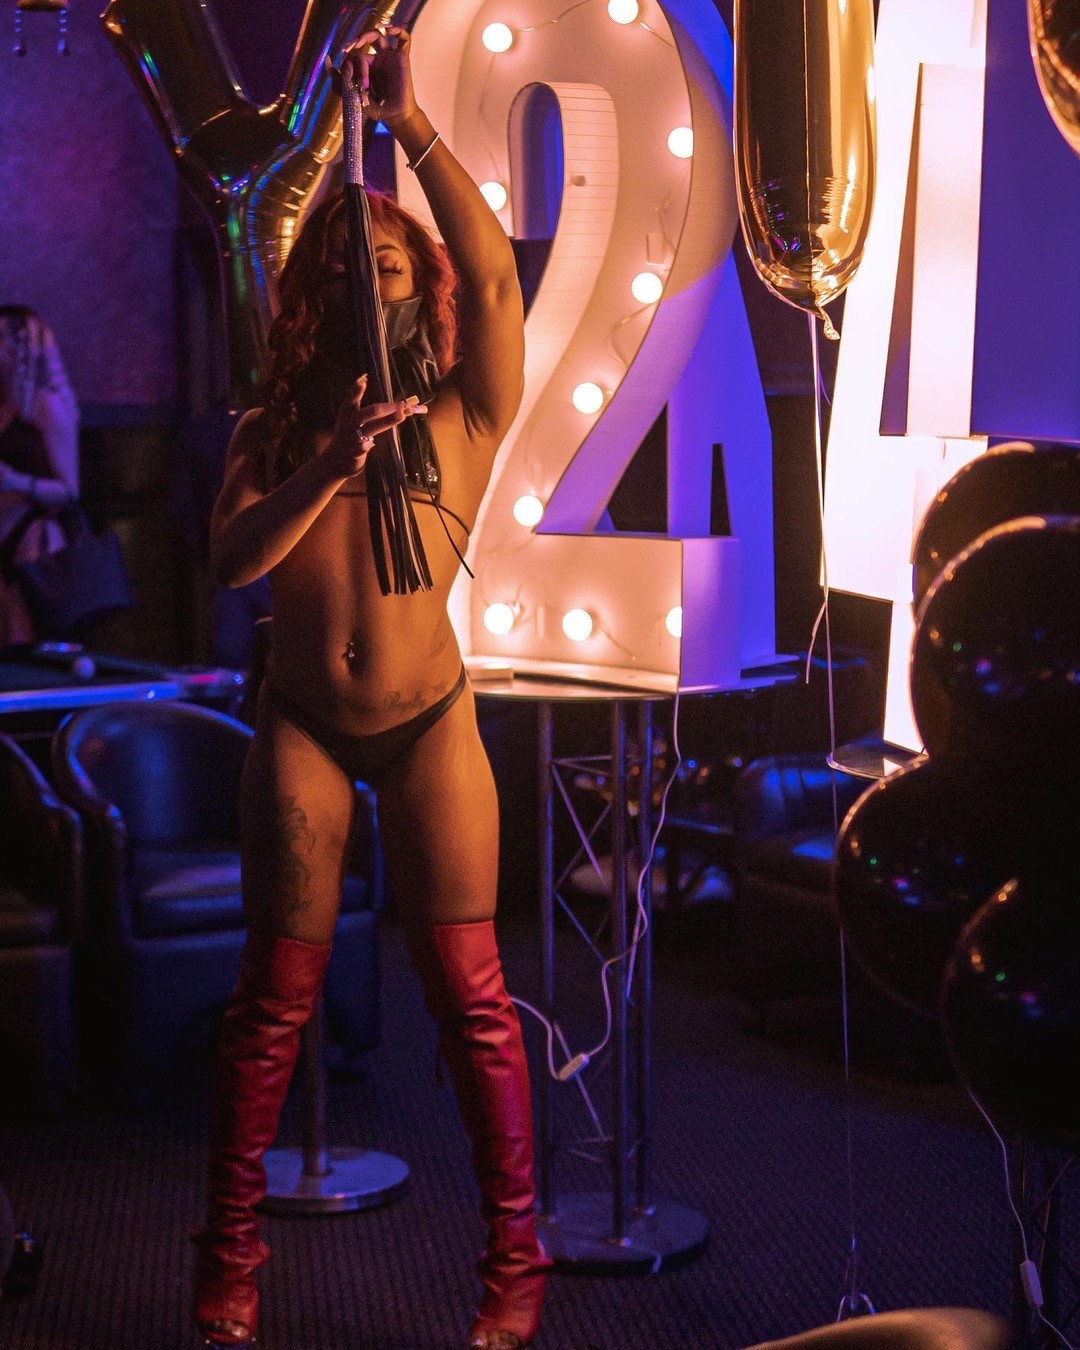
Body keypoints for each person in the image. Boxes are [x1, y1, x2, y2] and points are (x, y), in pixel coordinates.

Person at [195, 26, 550, 1350]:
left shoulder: (464, 412)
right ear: (314, 293)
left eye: (392, 263)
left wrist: (410, 126)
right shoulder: (270, 431)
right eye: (349, 264)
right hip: (302, 724)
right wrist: (331, 459)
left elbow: (497, 282)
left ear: (420, 288)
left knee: (473, 996)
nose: (371, 276)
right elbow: (234, 558)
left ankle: (515, 1260)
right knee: (270, 1005)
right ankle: (227, 1259)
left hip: (428, 722)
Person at [0, 306, 79, 646]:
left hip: (34, 537)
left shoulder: (49, 406)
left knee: (31, 645)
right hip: (6, 533)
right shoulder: (5, 405)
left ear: (21, 345)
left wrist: (16, 482)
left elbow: (70, 491)